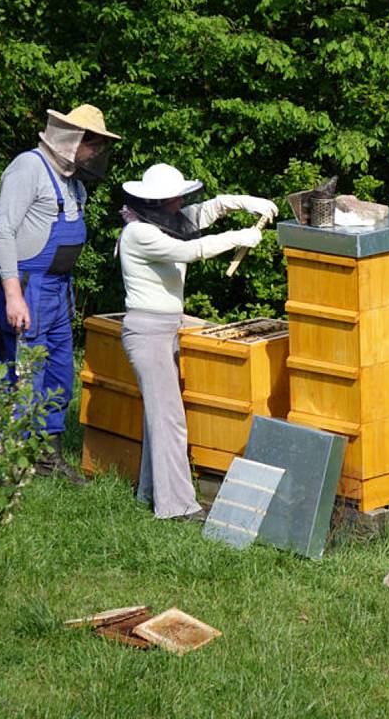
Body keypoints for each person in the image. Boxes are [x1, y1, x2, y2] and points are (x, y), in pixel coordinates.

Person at [117, 163, 277, 521]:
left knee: (158, 417)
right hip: (148, 333)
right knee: (169, 420)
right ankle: (177, 507)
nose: (179, 204)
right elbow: (191, 251)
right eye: (173, 199)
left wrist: (242, 202)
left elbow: (206, 212)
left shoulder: (162, 221)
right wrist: (237, 238)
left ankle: (150, 492)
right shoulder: (139, 234)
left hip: (163, 329)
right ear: (155, 202)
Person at [0, 104, 121, 483]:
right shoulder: (28, 168)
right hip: (27, 286)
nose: (97, 154)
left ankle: (48, 458)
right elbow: (3, 232)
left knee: (59, 372)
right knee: (22, 373)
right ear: (75, 140)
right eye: (94, 145)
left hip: (58, 290)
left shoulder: (71, 181)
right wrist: (13, 295)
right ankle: (10, 462)